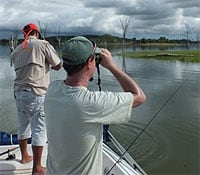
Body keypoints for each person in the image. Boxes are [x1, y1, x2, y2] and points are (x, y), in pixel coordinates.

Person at [44, 36, 146, 175]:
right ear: (89, 63)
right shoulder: (92, 103)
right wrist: (112, 66)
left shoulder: (52, 89)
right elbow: (139, 96)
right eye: (94, 58)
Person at [11, 23, 62, 175]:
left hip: (19, 93)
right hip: (36, 93)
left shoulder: (17, 50)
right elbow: (58, 65)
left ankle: (25, 156)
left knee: (23, 125)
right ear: (36, 33)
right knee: (39, 129)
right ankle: (38, 168)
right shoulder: (43, 44)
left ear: (25, 33)